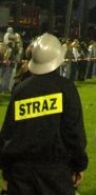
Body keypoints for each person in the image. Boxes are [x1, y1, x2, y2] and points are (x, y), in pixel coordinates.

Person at [0, 32, 88, 193]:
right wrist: (79, 165)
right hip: (55, 175)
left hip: (20, 176)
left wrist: (6, 172)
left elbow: (7, 135)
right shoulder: (66, 89)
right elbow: (73, 134)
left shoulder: (20, 90)